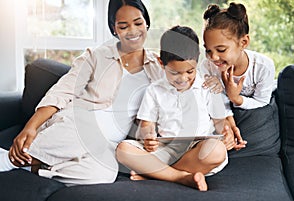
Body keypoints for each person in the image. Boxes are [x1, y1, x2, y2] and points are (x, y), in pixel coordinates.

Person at [0, 0, 164, 186]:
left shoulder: (158, 68)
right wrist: (30, 126)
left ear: (146, 23)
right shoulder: (96, 56)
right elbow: (63, 91)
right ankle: (8, 161)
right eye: (123, 26)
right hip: (77, 123)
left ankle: (32, 166)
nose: (133, 31)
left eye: (138, 23)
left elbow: (171, 101)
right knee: (86, 130)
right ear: (114, 29)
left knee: (105, 173)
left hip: (107, 144)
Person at [116, 25, 233, 191]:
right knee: (123, 150)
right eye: (175, 73)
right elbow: (145, 126)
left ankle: (154, 173)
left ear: (197, 60)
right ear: (161, 63)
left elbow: (220, 122)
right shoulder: (154, 90)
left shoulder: (207, 86)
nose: (183, 79)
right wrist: (148, 136)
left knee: (217, 151)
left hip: (196, 150)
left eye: (190, 71)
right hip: (166, 149)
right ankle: (180, 177)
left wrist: (226, 134)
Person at [201, 2, 276, 110]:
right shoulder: (207, 67)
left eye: (221, 50)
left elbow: (262, 101)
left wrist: (235, 98)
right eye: (208, 50)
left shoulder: (263, 67)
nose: (213, 57)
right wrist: (217, 90)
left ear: (243, 43)